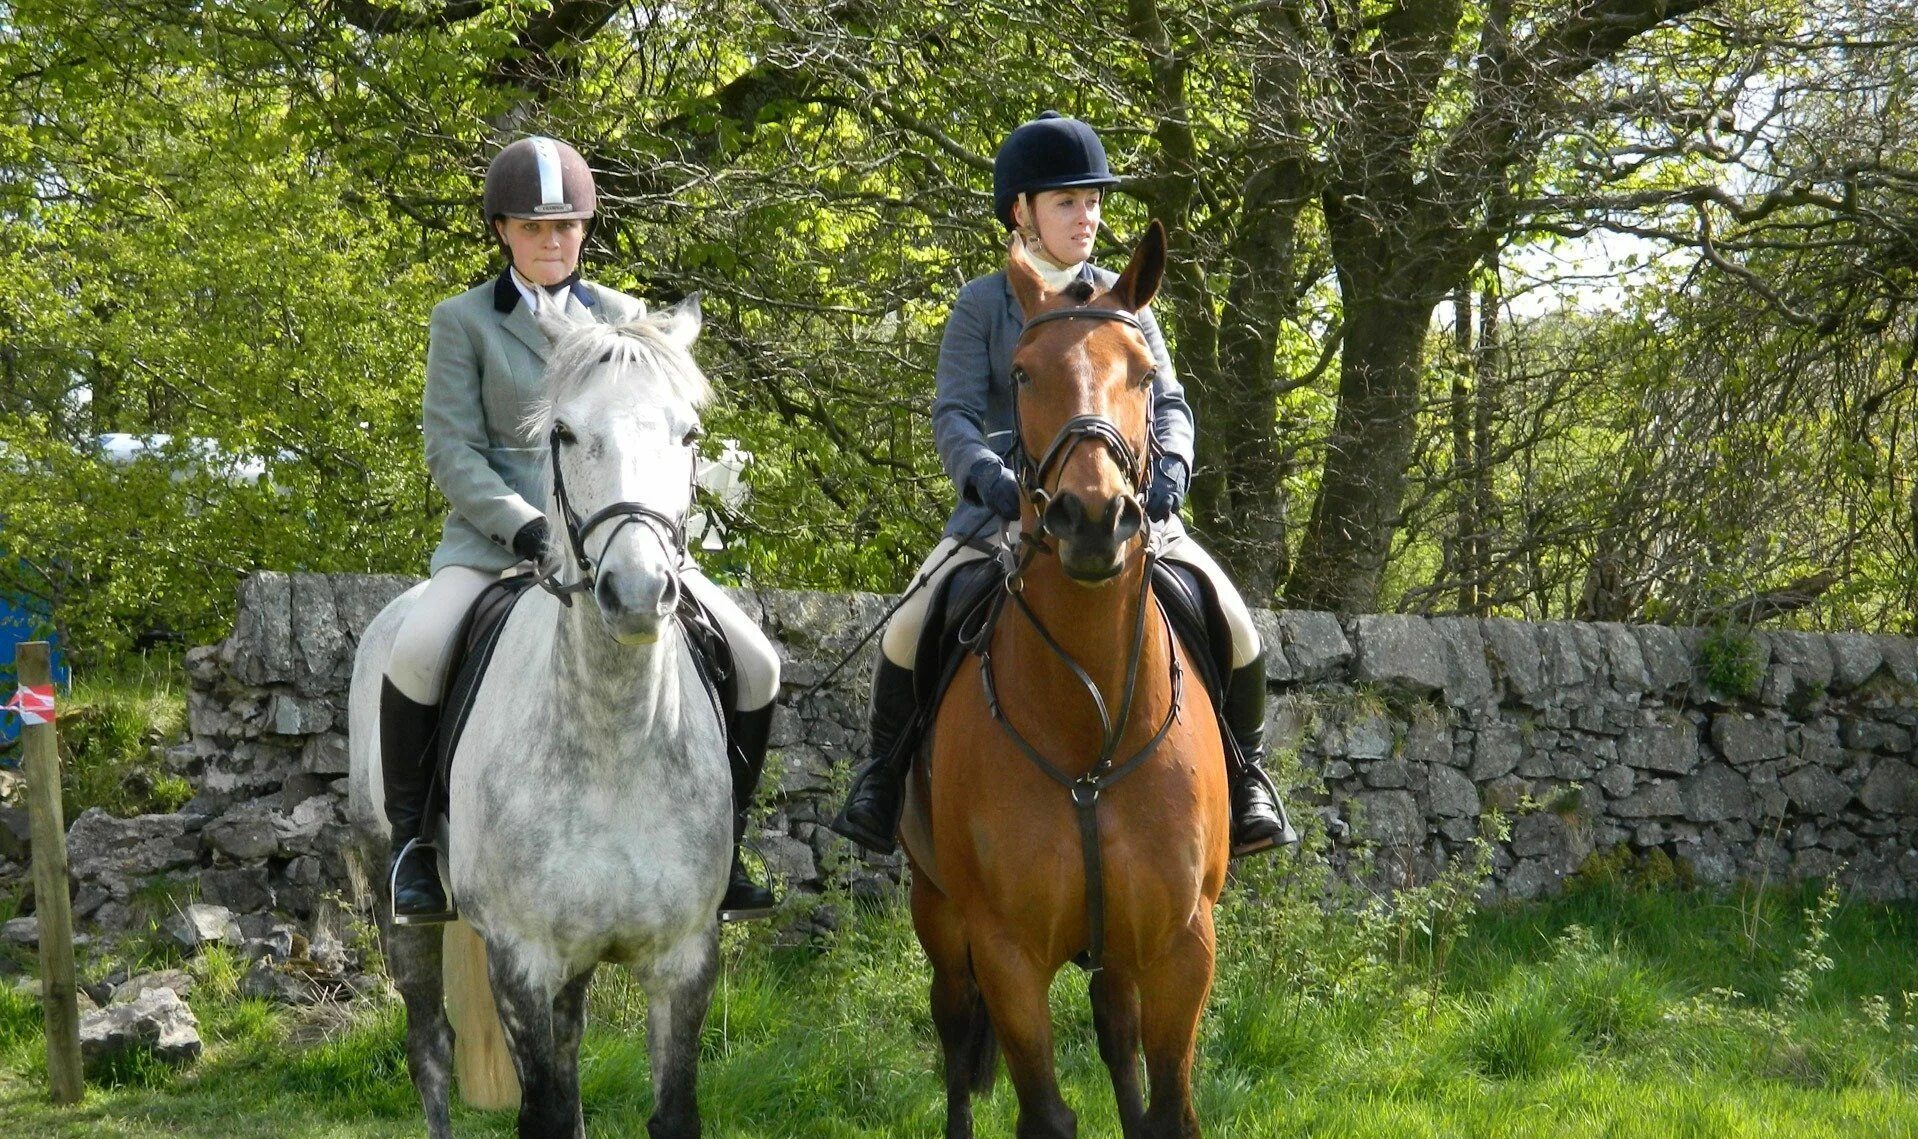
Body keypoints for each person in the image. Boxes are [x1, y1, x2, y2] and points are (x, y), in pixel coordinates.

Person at [831, 112, 1294, 857]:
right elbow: (952, 412)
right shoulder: (982, 303)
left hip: (1123, 504)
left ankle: (1249, 782)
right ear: (1022, 211)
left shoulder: (1124, 296)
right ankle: (883, 780)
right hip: (1002, 515)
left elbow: (1166, 399)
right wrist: (987, 479)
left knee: (1229, 614)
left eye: (1093, 202)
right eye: (1067, 202)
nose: (1087, 218)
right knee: (910, 624)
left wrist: (1172, 465)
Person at [381, 135, 782, 926]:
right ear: (503, 231)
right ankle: (412, 851)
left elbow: (660, 435)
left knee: (757, 661)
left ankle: (726, 844)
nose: (553, 242)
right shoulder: (463, 322)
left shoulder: (627, 318)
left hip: (620, 540)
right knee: (416, 649)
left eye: (566, 227)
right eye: (535, 228)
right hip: (498, 548)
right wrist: (526, 529)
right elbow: (451, 450)